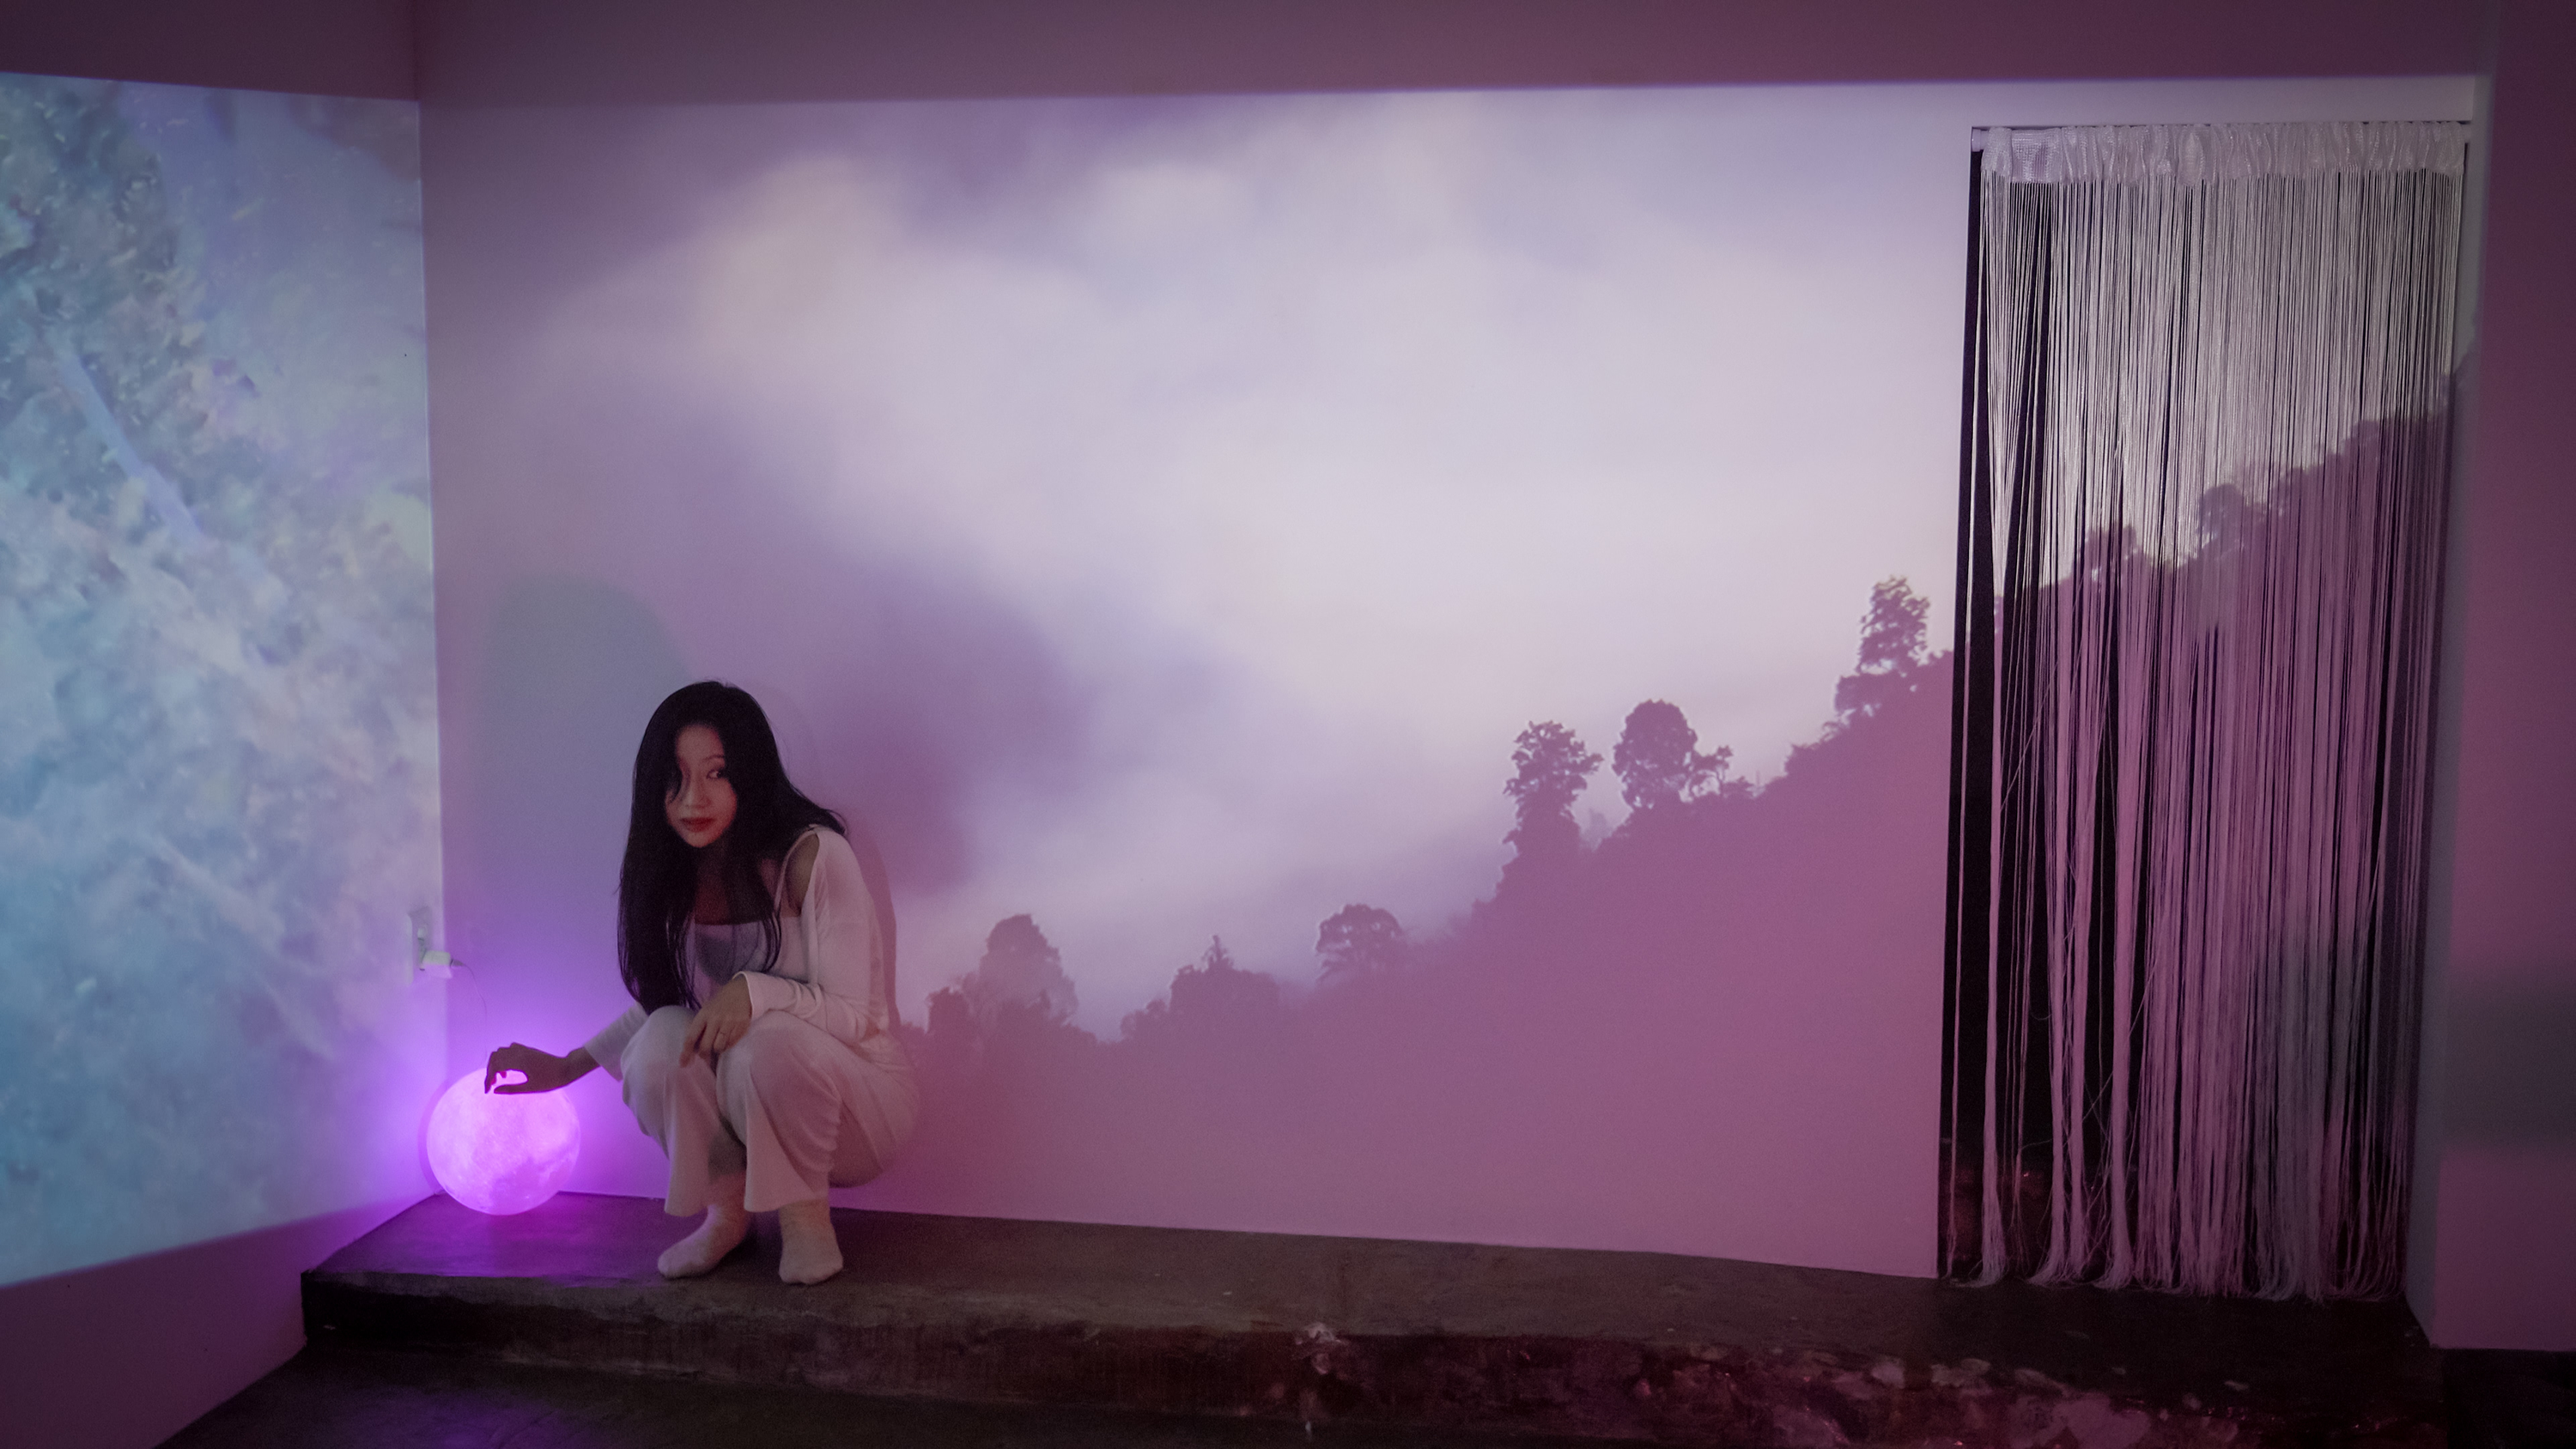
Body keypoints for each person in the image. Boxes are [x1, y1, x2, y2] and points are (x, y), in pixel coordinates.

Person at [483, 682, 916, 1285]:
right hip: (755, 1098)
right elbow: (664, 1004)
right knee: (662, 1041)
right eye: (676, 778)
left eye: (716, 773)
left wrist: (754, 993)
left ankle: (805, 1220)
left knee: (765, 1041)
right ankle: (727, 1213)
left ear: (750, 773)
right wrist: (567, 1067)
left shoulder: (814, 854)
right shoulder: (679, 871)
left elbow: (855, 1016)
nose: (693, 799)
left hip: (860, 1106)